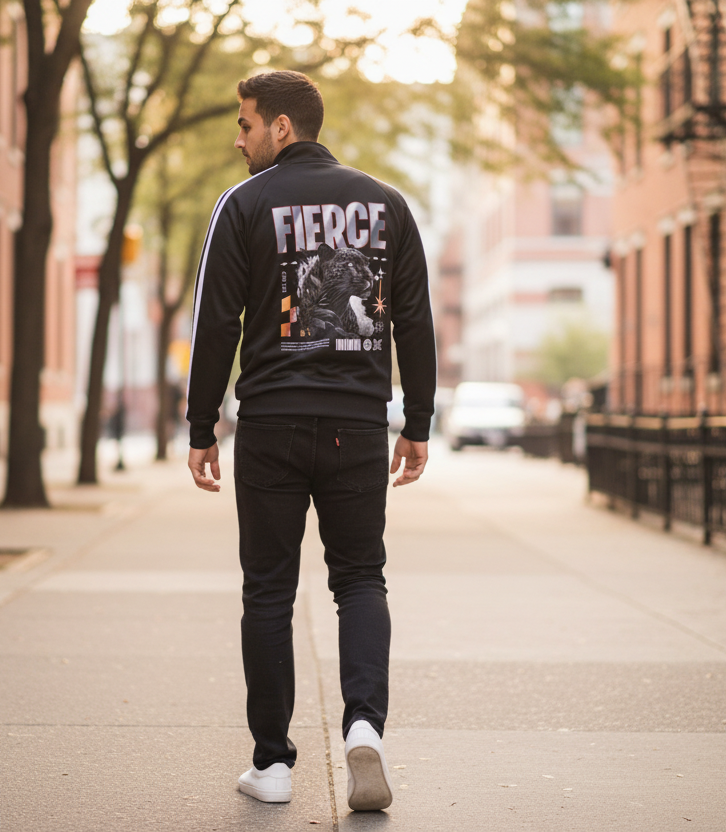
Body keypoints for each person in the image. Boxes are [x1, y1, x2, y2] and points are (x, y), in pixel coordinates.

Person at [186, 70, 436, 813]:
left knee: (268, 589)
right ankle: (364, 726)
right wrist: (417, 423)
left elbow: (216, 322)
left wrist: (202, 424)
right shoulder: (387, 205)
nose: (239, 139)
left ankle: (272, 764)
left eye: (246, 123)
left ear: (282, 128)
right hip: (357, 424)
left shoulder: (243, 204)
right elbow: (414, 321)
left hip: (268, 425)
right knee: (360, 579)